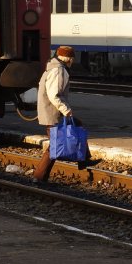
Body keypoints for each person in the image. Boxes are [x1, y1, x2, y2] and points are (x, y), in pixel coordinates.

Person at [34, 45, 83, 181]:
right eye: (72, 58)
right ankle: (38, 177)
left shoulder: (52, 67)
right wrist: (66, 110)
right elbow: (54, 95)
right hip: (52, 113)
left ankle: (84, 160)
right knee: (54, 147)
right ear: (69, 59)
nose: (73, 61)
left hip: (50, 112)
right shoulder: (58, 71)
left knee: (77, 126)